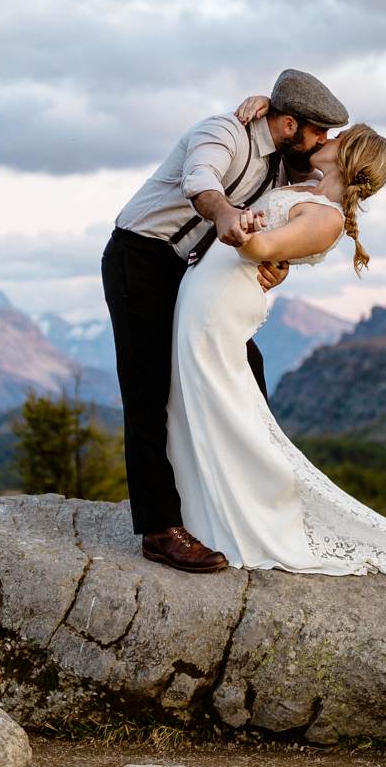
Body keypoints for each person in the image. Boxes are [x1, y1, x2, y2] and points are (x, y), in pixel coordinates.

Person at [165, 120, 386, 576]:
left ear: (349, 157)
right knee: (197, 404)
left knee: (222, 409)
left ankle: (252, 517)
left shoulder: (326, 217)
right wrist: (266, 105)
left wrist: (242, 226)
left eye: (339, 138)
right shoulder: (309, 191)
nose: (327, 139)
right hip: (208, 299)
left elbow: (260, 246)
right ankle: (203, 512)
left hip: (218, 309)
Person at [101, 69, 350, 574]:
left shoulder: (283, 165)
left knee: (246, 369)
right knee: (147, 390)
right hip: (140, 257)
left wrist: (276, 265)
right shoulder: (223, 132)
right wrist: (221, 214)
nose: (323, 142)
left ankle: (243, 503)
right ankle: (159, 528)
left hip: (187, 274)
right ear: (287, 123)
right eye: (317, 132)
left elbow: (297, 214)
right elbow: (202, 182)